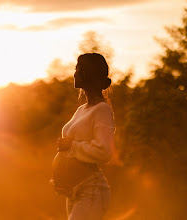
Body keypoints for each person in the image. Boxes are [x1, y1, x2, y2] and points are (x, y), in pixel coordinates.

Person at [55, 53, 115, 220]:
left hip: (92, 190)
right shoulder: (82, 110)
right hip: (75, 191)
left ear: (87, 74)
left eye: (77, 69)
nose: (74, 73)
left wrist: (72, 146)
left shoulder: (102, 110)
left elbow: (105, 151)